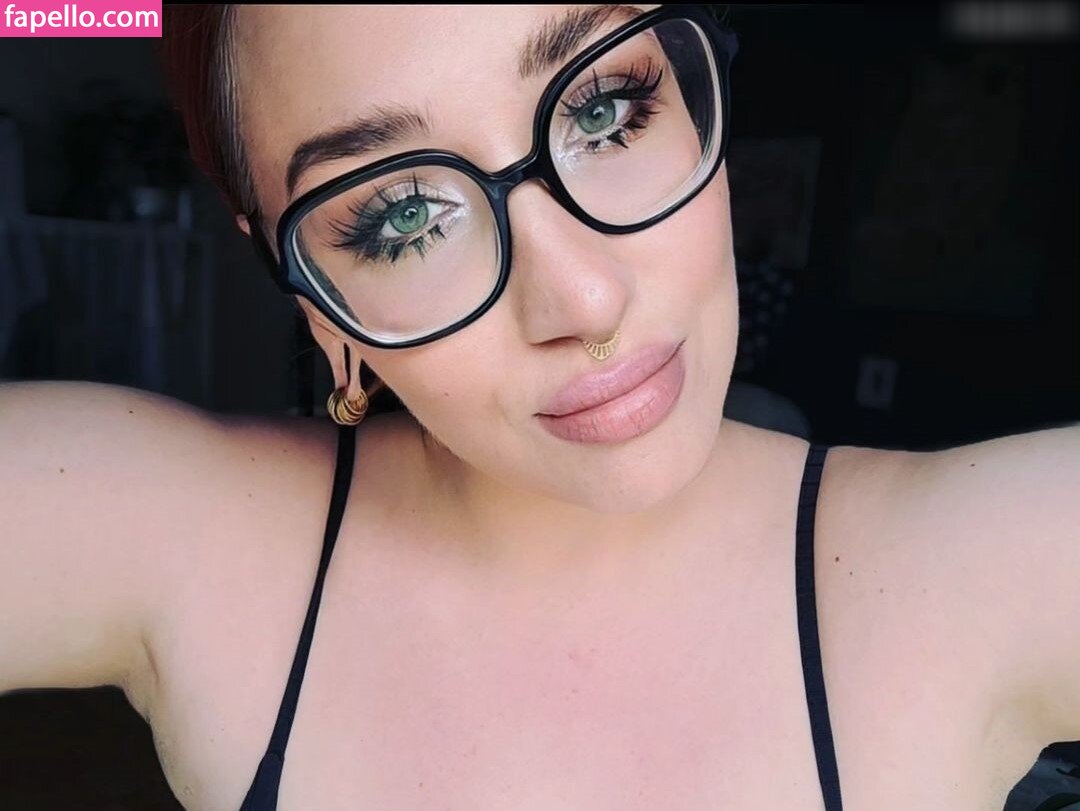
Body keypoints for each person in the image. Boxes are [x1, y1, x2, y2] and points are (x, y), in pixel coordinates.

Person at [1, 4, 1077, 810]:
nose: (583, 300)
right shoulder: (189, 541)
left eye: (606, 112)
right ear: (317, 304)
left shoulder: (980, 560)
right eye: (405, 216)